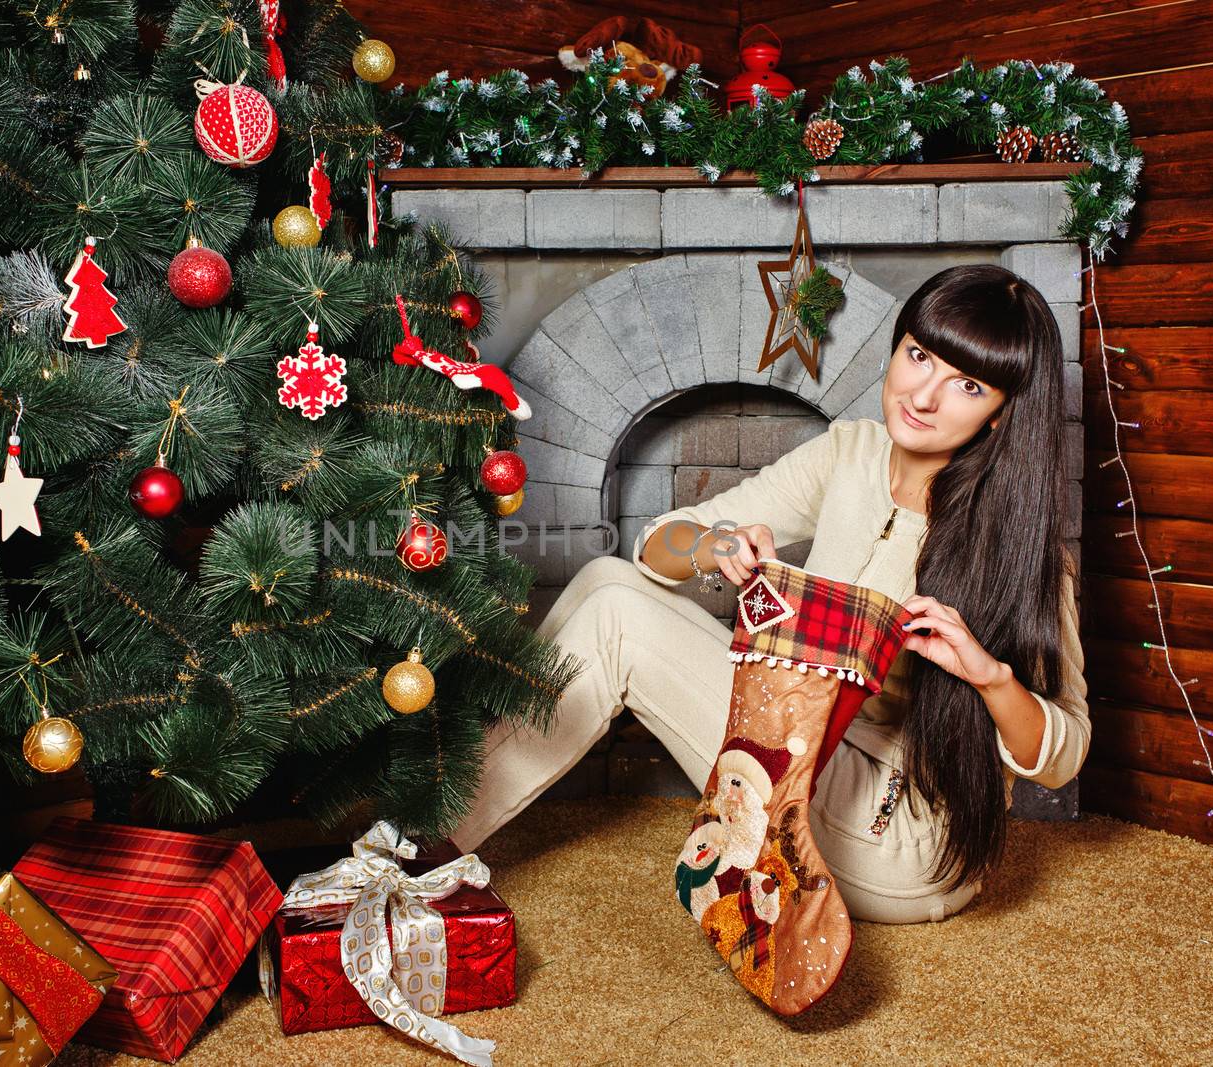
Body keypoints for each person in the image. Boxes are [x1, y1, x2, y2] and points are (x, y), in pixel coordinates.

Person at [451, 263, 1091, 924]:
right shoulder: (851, 454)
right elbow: (660, 542)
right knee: (607, 581)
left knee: (616, 614)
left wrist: (990, 678)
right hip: (800, 742)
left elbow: (1065, 751)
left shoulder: (1019, 547)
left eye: (966, 384)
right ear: (897, 347)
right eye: (918, 355)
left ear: (1000, 412)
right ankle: (441, 806)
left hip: (900, 834)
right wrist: (713, 546)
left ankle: (421, 848)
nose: (923, 396)